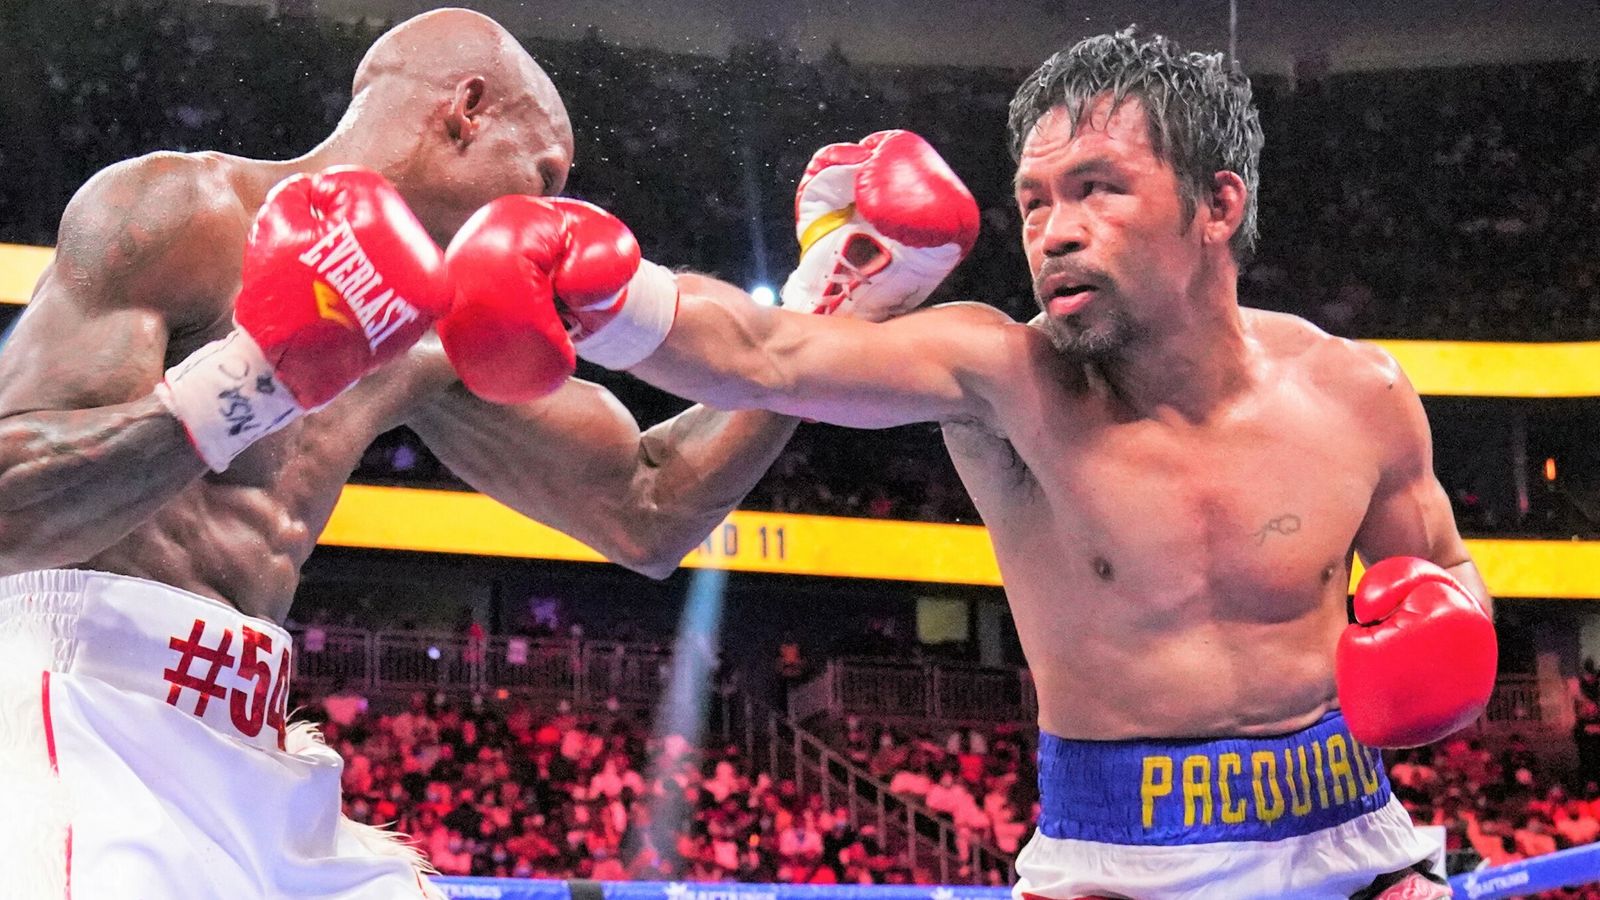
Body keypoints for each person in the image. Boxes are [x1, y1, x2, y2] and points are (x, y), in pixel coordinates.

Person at [486, 30, 1500, 898]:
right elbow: (767, 352)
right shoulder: (1004, 378)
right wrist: (613, 300)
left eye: (1097, 190)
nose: (1054, 234)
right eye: (1034, 203)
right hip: (1115, 865)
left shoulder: (1357, 393)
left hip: (1351, 846)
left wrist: (1450, 629)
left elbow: (1447, 572)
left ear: (1217, 205)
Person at [0, 9, 972, 898]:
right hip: (75, 701)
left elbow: (647, 506)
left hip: (249, 743)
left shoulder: (432, 337)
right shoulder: (181, 210)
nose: (546, 209)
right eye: (545, 176)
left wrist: (826, 302)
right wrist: (255, 377)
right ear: (466, 110)